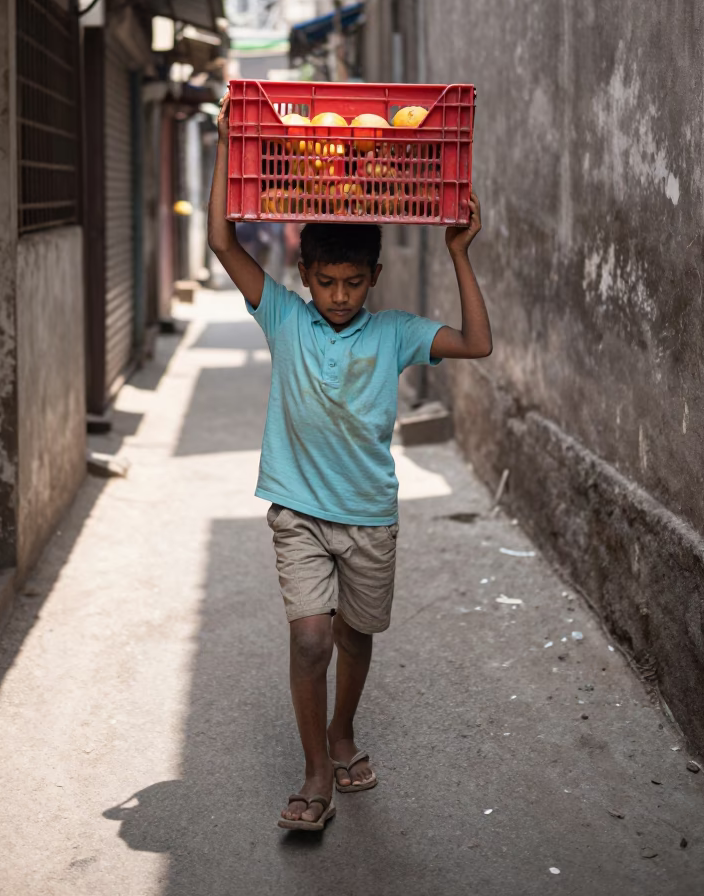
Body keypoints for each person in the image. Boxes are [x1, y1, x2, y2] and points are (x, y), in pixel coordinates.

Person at [207, 93, 492, 832]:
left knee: (356, 635)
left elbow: (476, 343)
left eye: (352, 283)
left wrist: (460, 252)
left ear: (373, 279)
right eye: (326, 282)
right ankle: (314, 774)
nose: (337, 297)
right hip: (298, 510)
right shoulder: (283, 315)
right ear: (304, 277)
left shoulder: (396, 332)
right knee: (311, 637)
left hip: (369, 513)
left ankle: (342, 732)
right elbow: (222, 241)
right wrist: (223, 144)